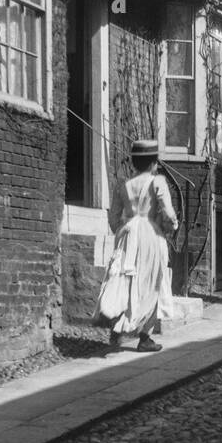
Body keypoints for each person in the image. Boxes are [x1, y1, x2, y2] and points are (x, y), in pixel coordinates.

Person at [93, 138, 178, 350]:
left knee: (125, 280)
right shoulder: (157, 181)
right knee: (151, 282)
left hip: (128, 233)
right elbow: (168, 212)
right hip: (150, 234)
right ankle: (144, 337)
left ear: (134, 163)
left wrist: (121, 231)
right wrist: (171, 226)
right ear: (153, 163)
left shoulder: (123, 185)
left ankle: (117, 326)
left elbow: (113, 217)